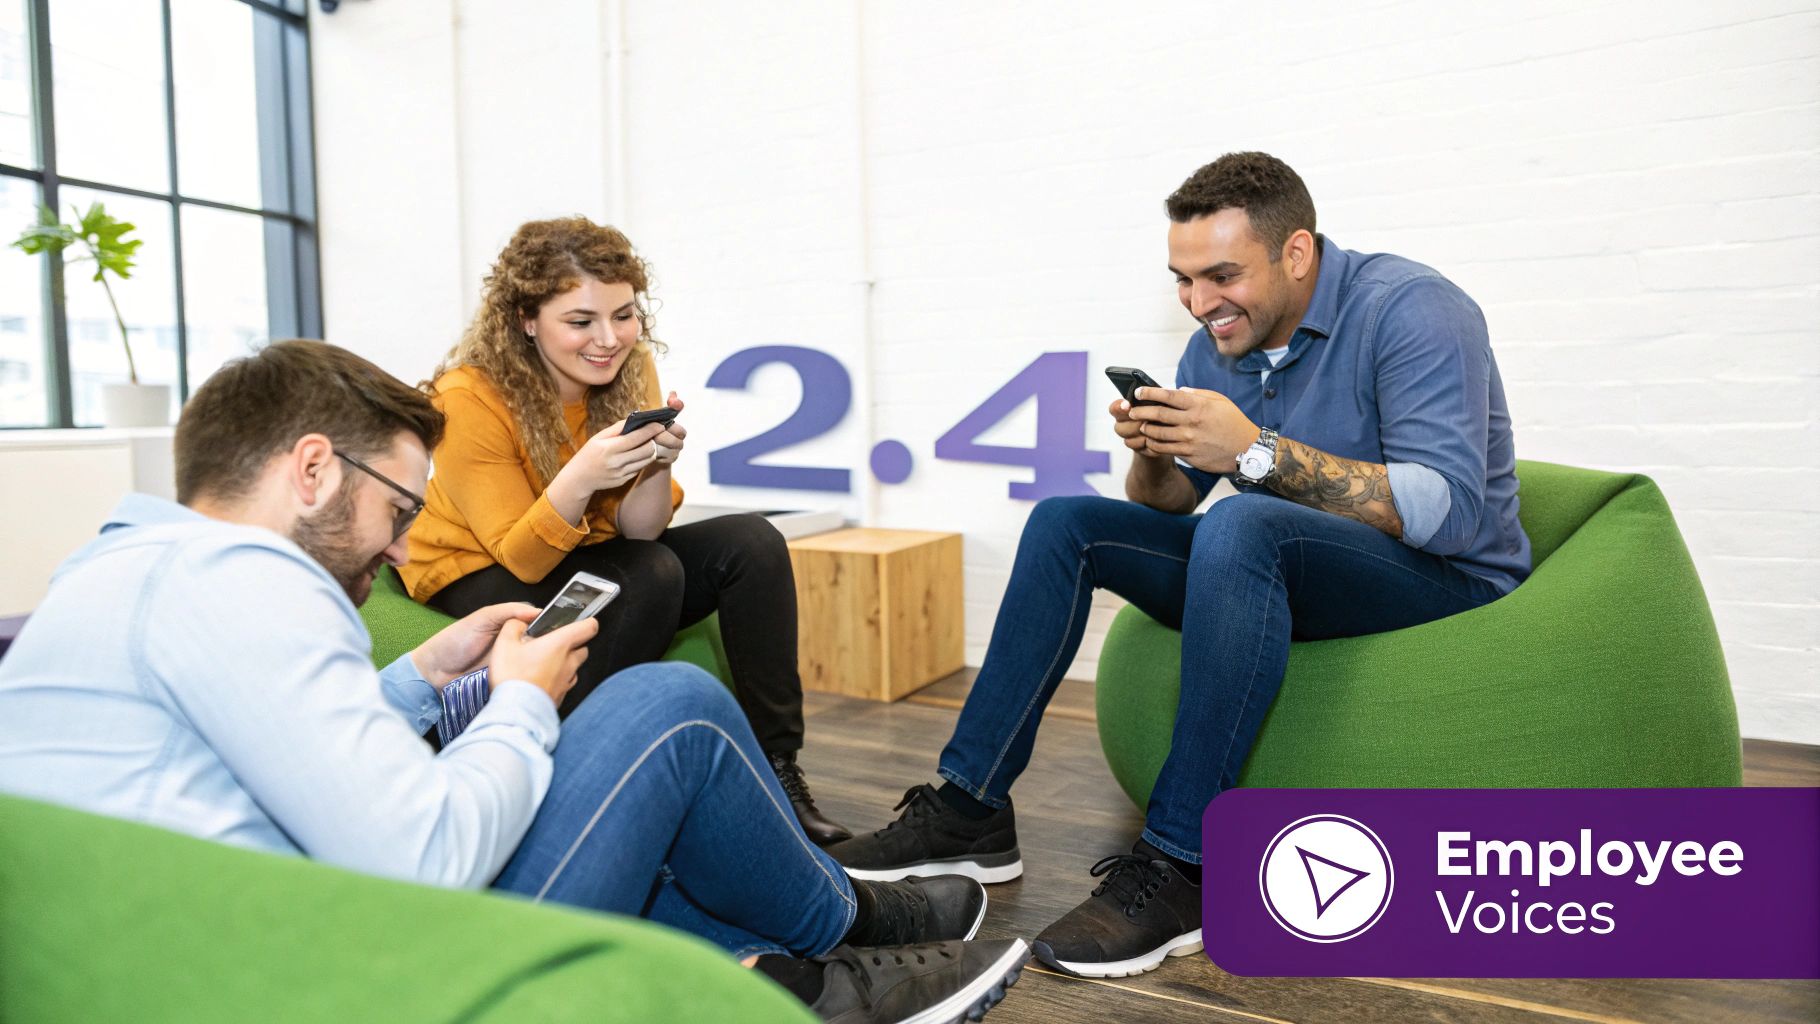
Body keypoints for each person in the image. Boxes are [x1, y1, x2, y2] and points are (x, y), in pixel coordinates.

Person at [0, 340, 1027, 1024]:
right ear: (311, 470)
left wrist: (416, 678)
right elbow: (428, 855)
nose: (401, 549)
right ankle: (844, 928)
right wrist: (527, 696)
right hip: (348, 980)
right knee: (663, 707)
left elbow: (268, 768)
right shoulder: (249, 576)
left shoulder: (121, 573)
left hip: (223, 940)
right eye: (399, 506)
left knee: (632, 806)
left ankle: (786, 979)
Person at [827, 152, 1532, 979]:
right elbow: (1171, 501)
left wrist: (1255, 454)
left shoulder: (1414, 310)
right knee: (1068, 522)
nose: (1201, 304)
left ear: (1296, 253)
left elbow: (1446, 509)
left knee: (1246, 523)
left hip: (1441, 578)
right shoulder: (1220, 344)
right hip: (1289, 560)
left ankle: (1182, 863)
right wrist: (1154, 454)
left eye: (1222, 275)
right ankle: (970, 808)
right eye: (1184, 280)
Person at [402, 217, 852, 845]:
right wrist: (582, 476)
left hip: (588, 552)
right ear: (527, 319)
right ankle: (575, 779)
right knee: (651, 576)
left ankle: (779, 771)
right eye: (581, 322)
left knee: (752, 543)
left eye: (624, 315)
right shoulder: (467, 397)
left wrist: (656, 464)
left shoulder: (628, 367)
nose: (608, 340)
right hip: (477, 569)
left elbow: (640, 533)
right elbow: (523, 559)